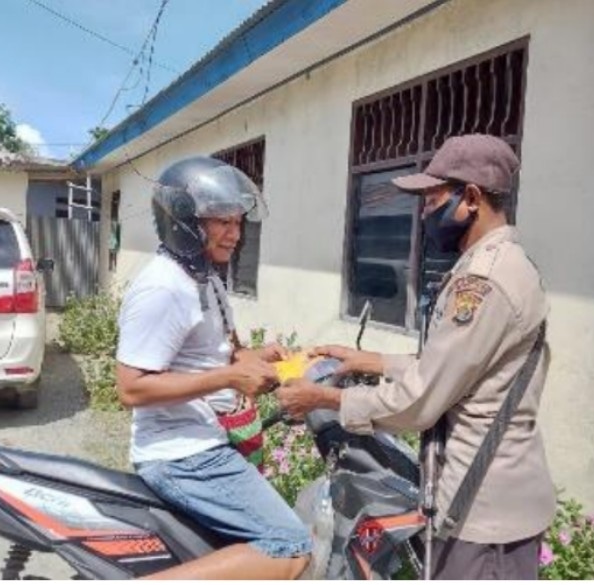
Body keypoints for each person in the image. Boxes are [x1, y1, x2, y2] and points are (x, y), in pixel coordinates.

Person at [277, 134, 556, 580]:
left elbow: (421, 401)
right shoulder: (491, 265)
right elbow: (457, 370)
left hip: (485, 512)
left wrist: (322, 400)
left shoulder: (485, 282)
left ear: (471, 198)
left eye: (431, 199)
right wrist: (369, 361)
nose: (423, 212)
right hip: (481, 500)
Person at [115, 156, 311, 580]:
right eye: (221, 221)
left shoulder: (206, 277)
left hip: (205, 440)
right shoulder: (163, 287)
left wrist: (268, 359)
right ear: (184, 221)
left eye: (238, 222)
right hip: (181, 455)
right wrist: (226, 377)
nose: (234, 234)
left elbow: (224, 353)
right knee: (290, 546)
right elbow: (131, 388)